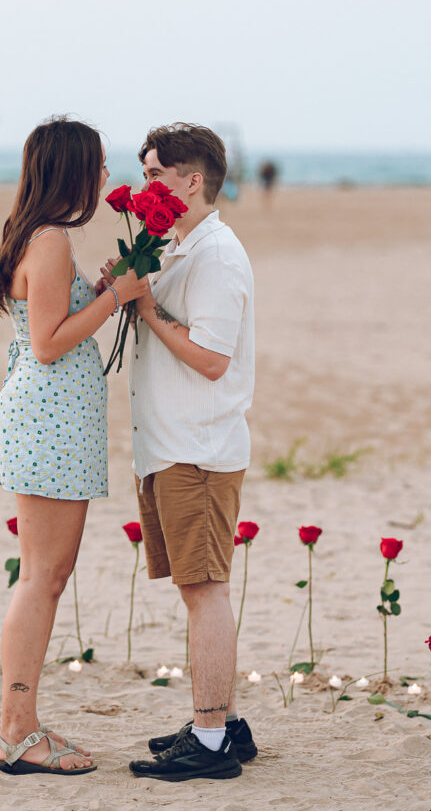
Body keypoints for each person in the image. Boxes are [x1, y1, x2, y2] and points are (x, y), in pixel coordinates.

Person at [0, 117, 147, 776]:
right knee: (42, 578)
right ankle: (16, 732)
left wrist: (107, 290)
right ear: (73, 170)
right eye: (99, 164)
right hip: (46, 420)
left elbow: (48, 329)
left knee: (43, 576)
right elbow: (50, 342)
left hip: (50, 420)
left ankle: (19, 727)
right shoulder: (48, 240)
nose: (107, 176)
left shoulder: (40, 236)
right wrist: (116, 297)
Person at [106, 122, 257, 782]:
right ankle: (223, 722)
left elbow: (213, 360)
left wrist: (147, 307)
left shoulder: (217, 255)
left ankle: (212, 737)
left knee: (204, 590)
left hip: (197, 447)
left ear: (191, 181)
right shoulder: (175, 245)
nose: (143, 187)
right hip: (169, 445)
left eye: (153, 175)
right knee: (197, 589)